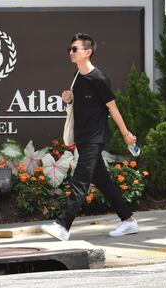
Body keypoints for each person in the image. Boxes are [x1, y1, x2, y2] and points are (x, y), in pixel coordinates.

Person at [41, 33, 139, 241]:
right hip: (83, 137)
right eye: (70, 49)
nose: (70, 52)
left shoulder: (99, 78)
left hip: (95, 137)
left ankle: (62, 225)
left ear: (88, 52)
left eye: (74, 49)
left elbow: (112, 108)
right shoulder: (77, 76)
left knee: (80, 181)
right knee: (103, 182)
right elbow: (84, 105)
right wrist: (69, 99)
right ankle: (128, 221)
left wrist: (126, 134)